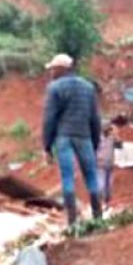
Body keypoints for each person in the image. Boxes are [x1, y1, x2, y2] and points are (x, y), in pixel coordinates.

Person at [41, 53, 103, 225]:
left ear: (61, 69)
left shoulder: (54, 88)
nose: (51, 72)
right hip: (84, 137)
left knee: (67, 177)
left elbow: (49, 118)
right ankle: (98, 217)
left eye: (53, 69)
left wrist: (46, 146)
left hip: (64, 138)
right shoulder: (88, 88)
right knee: (91, 176)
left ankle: (72, 221)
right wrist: (95, 142)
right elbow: (95, 118)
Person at [97, 121, 117, 206]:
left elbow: (120, 145)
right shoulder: (97, 138)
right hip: (100, 165)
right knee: (101, 185)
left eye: (108, 129)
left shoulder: (112, 138)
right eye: (106, 128)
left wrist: (116, 134)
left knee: (109, 186)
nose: (108, 130)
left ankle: (107, 203)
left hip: (110, 165)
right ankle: (100, 202)